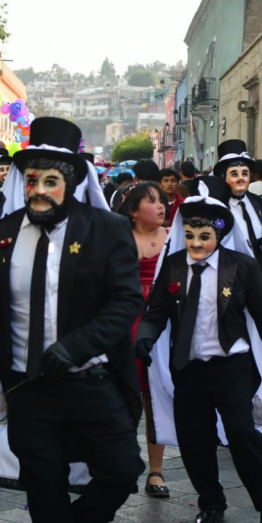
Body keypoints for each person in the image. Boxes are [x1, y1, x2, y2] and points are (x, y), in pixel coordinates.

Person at [0, 118, 145, 523]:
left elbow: (126, 302)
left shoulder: (106, 229)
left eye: (49, 181)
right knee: (43, 483)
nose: (38, 189)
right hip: (27, 385)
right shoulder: (3, 232)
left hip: (91, 381)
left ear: (71, 183)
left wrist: (77, 346)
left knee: (121, 473)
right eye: (30, 179)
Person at [135, 193, 262, 523]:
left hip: (231, 365)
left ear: (218, 235)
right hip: (188, 367)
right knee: (194, 439)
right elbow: (157, 311)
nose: (196, 243)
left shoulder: (241, 266)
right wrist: (146, 336)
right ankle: (210, 501)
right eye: (190, 235)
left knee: (241, 432)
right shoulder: (175, 265)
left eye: (204, 236)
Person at [118, 182, 170, 499]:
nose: (162, 205)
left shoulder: (175, 239)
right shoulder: (120, 240)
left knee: (158, 398)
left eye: (162, 200)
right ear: (134, 211)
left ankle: (156, 470)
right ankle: (123, 461)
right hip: (127, 325)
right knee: (128, 396)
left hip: (164, 326)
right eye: (152, 201)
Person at [214, 140, 262, 284]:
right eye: (234, 174)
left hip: (259, 279)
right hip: (229, 281)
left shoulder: (257, 202)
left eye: (244, 173)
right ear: (224, 177)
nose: (241, 178)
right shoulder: (217, 206)